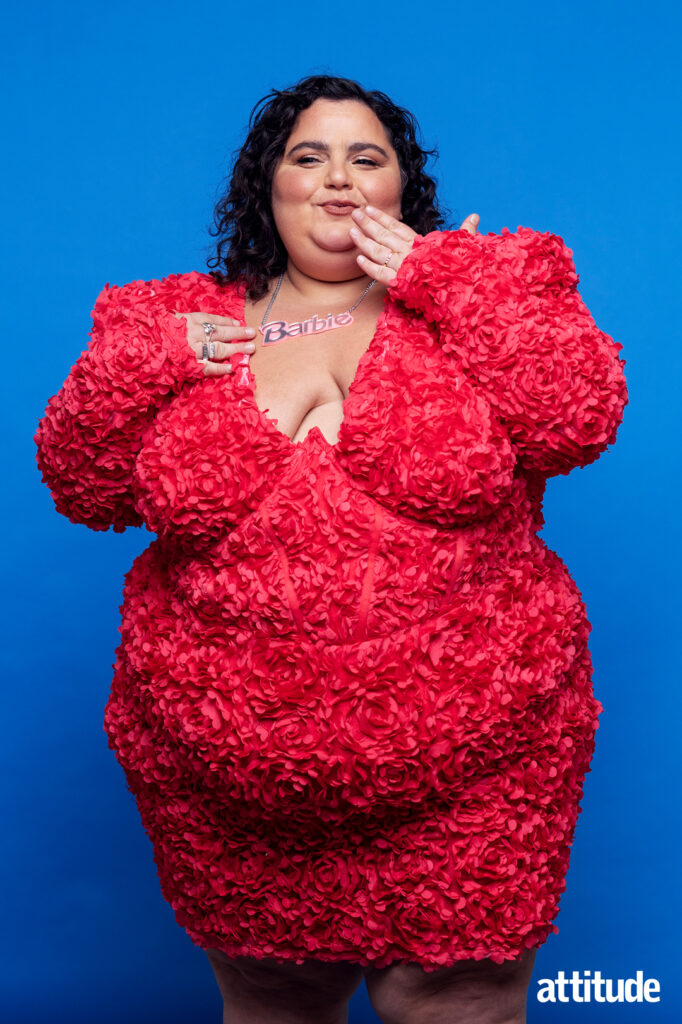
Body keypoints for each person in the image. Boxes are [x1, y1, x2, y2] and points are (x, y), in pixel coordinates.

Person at [34, 74, 628, 1024]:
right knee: (274, 1004)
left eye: (368, 159)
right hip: (228, 790)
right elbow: (81, 483)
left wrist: (447, 279)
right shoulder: (173, 317)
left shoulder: (491, 284)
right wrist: (152, 361)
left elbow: (578, 414)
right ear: (266, 186)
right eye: (308, 157)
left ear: (403, 189)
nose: (339, 181)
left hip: (477, 771)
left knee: (460, 1000)